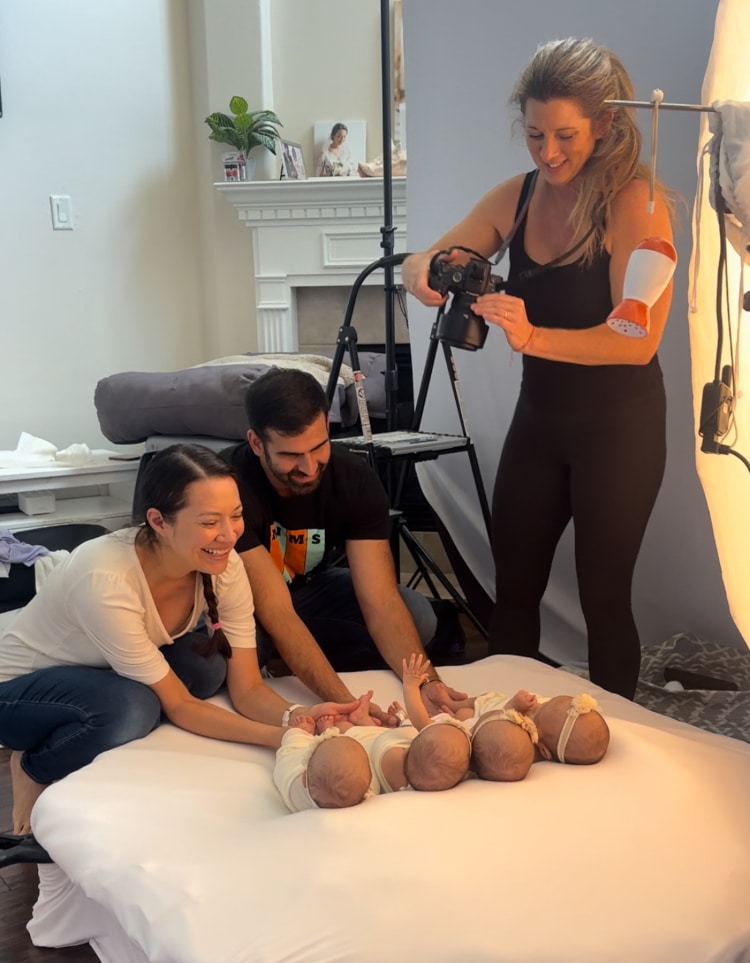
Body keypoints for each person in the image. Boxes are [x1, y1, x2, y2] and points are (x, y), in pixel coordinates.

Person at [402, 37, 676, 700]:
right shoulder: (516, 198)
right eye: (533, 135)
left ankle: (619, 746)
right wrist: (428, 274)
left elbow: (634, 341)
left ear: (605, 124)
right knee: (513, 587)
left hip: (620, 426)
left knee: (602, 596)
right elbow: (428, 258)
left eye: (565, 136)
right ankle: (505, 725)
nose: (548, 153)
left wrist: (532, 336)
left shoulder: (636, 205)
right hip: (541, 420)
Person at [0, 444, 358, 855]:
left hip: (102, 668)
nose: (229, 534)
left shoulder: (222, 566)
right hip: (19, 691)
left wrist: (298, 716)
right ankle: (33, 767)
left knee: (207, 668)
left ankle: (110, 711)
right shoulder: (104, 577)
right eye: (210, 521)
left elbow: (247, 688)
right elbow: (180, 706)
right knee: (135, 708)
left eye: (237, 515)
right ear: (158, 522)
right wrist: (283, 739)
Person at [220, 368, 467, 722]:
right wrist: (347, 705)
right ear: (257, 443)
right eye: (291, 455)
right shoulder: (228, 486)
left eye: (318, 447)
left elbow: (380, 601)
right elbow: (276, 610)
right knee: (232, 654)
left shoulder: (355, 481)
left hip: (310, 591)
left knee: (417, 616)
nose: (308, 467)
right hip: (247, 603)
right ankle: (285, 665)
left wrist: (426, 683)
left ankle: (302, 659)